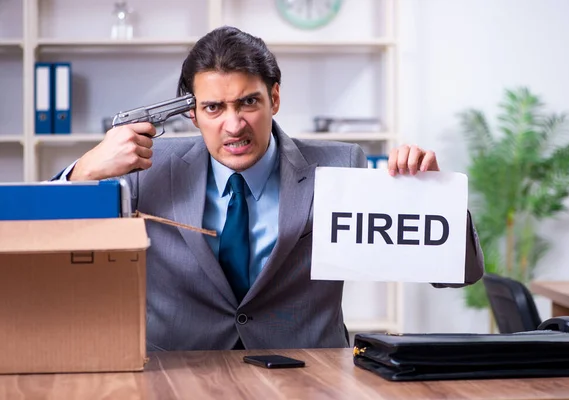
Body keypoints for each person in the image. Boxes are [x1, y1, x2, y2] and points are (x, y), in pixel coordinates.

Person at [55, 26, 484, 351]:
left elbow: (458, 275)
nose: (234, 124)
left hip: (308, 373)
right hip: (178, 373)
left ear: (274, 99)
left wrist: (430, 197)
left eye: (248, 102)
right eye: (214, 107)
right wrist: (85, 169)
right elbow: (42, 242)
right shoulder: (146, 168)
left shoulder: (340, 166)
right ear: (192, 114)